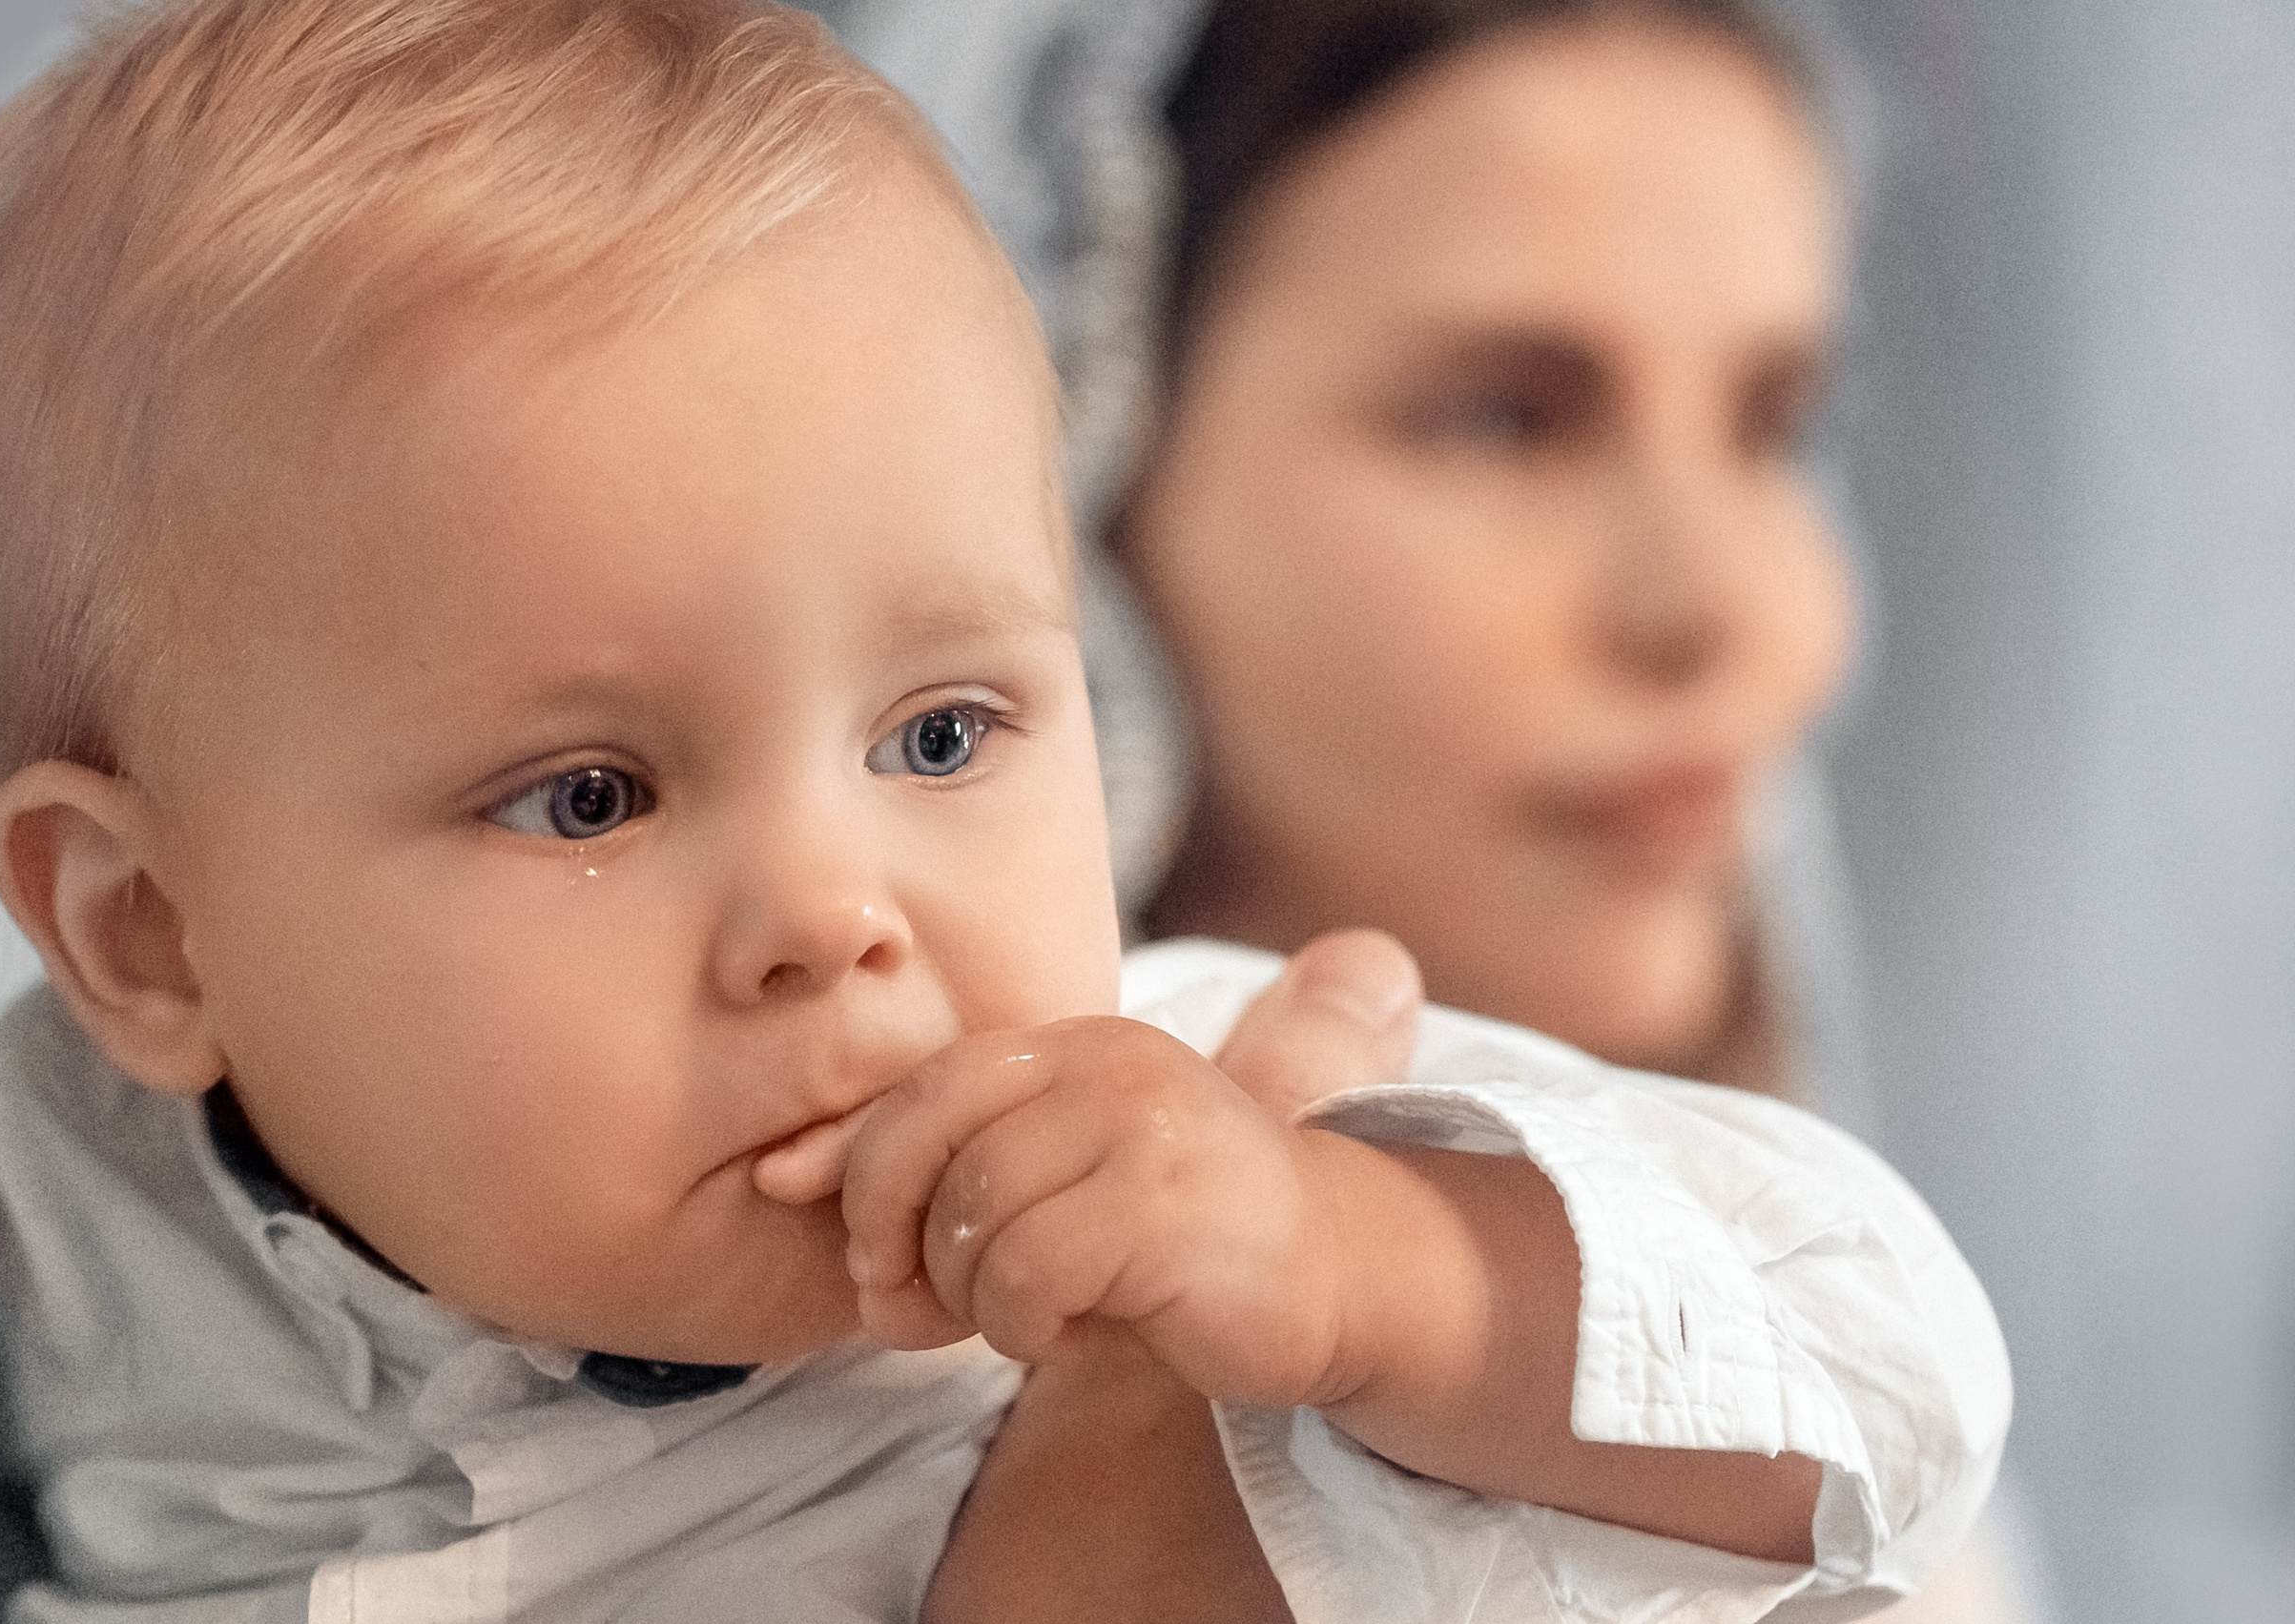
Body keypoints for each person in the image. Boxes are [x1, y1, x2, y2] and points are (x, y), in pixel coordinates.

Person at [0, 0, 2005, 1616]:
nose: (834, 912)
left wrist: (1371, 1277)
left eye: (945, 736)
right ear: (144, 937)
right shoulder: (65, 1186)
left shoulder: (1193, 1175)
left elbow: (1890, 1373)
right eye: (589, 794)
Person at [796, 1, 2034, 1618]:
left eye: (1772, 425)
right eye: (1507, 415)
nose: (1727, 606)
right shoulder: (720, 1409)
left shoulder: (1799, 1399)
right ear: (1082, 469)